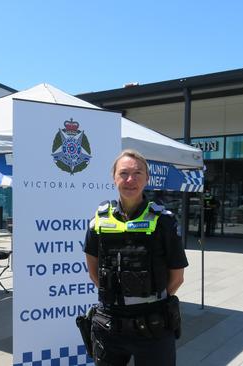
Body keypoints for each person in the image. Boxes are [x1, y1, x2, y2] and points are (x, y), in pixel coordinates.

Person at [84, 149, 188, 366]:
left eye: (137, 173)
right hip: (109, 325)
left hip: (153, 327)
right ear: (114, 177)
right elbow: (94, 273)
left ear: (147, 178)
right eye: (123, 173)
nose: (130, 179)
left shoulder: (164, 222)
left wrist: (148, 301)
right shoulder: (98, 221)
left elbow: (177, 278)